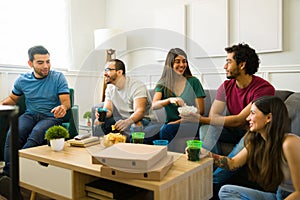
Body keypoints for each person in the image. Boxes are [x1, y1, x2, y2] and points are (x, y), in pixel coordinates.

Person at [181, 43, 275, 196]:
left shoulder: (263, 89)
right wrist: (208, 121)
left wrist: (200, 119)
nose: (225, 66)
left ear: (242, 65)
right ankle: (208, 176)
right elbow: (214, 116)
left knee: (209, 126)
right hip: (232, 130)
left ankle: (209, 184)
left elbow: (239, 120)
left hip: (252, 132)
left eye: (229, 61)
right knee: (206, 128)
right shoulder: (226, 86)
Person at [203, 96, 300, 200]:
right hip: (278, 195)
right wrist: (208, 155)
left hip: (294, 196)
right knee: (226, 191)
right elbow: (233, 163)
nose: (247, 118)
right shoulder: (257, 142)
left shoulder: (289, 143)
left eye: (252, 113)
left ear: (268, 118)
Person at [0, 45, 70, 176]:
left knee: (36, 133)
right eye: (40, 62)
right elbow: (12, 99)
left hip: (51, 117)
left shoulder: (58, 77)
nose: (46, 66)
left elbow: (66, 102)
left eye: (48, 61)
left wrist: (63, 107)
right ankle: (8, 174)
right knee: (13, 133)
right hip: (30, 115)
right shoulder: (22, 80)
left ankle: (17, 171)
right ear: (30, 63)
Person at [94, 59, 159, 143]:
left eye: (108, 70)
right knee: (101, 124)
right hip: (125, 119)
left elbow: (140, 111)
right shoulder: (110, 88)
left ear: (119, 72)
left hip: (146, 121)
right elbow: (108, 110)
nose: (105, 74)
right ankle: (105, 150)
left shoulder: (136, 86)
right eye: (105, 70)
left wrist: (127, 122)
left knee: (135, 125)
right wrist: (101, 115)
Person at [152, 48, 206, 144]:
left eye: (184, 62)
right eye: (177, 62)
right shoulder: (163, 83)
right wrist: (169, 100)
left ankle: (170, 158)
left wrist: (179, 122)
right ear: (170, 64)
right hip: (170, 124)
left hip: (191, 123)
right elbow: (154, 105)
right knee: (147, 135)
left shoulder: (194, 82)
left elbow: (200, 110)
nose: (182, 65)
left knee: (166, 129)